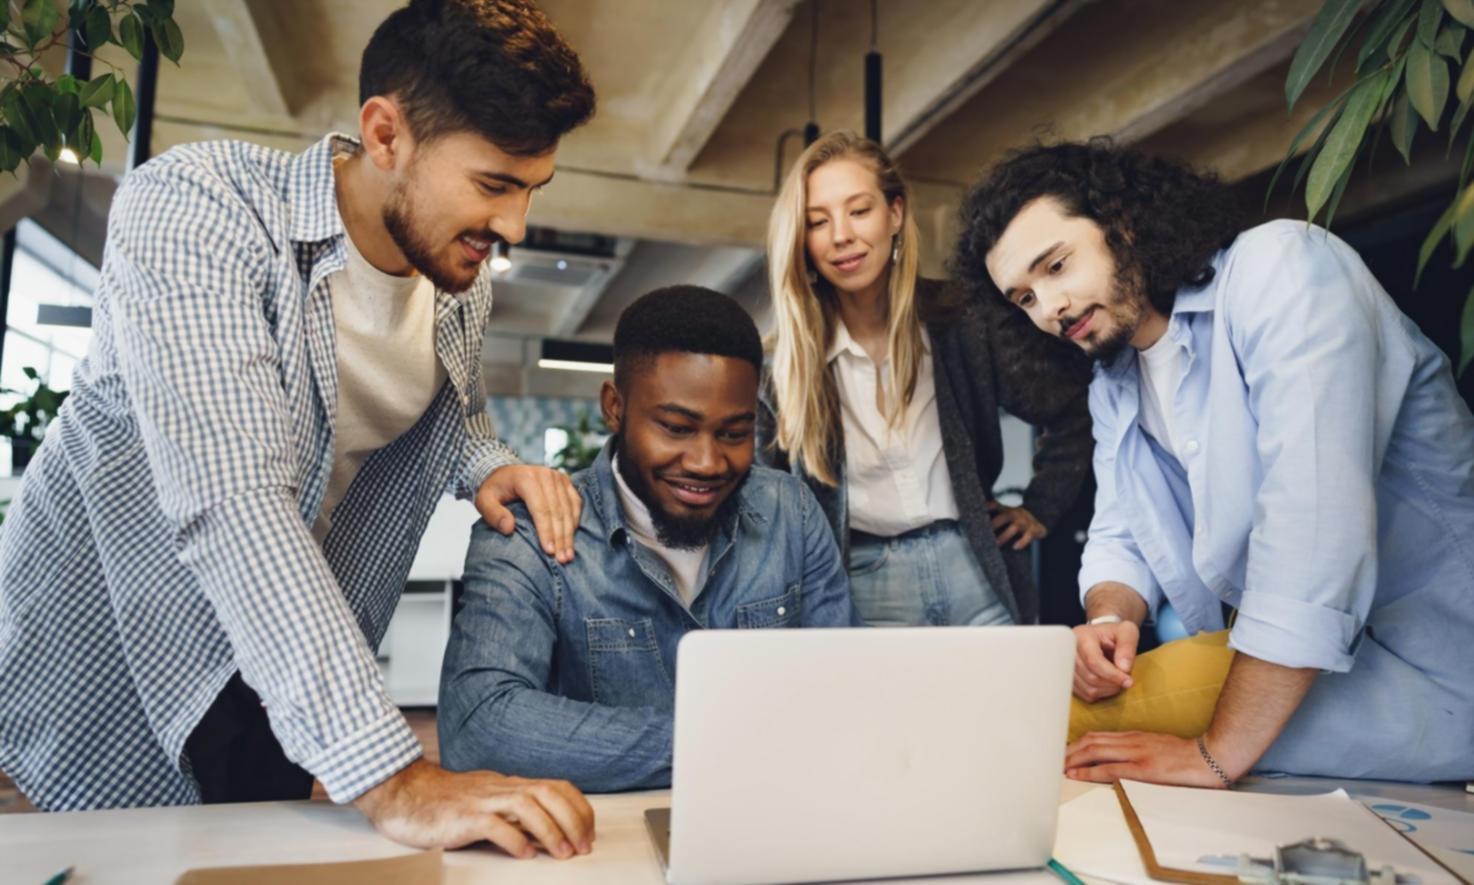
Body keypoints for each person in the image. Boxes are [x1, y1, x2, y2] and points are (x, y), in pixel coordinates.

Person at [0, 0, 600, 858]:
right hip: (131, 633)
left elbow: (448, 412)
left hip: (294, 636)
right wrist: (395, 778)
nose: (514, 227)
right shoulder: (200, 208)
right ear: (385, 135)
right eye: (494, 185)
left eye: (532, 190)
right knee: (120, 857)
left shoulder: (457, 285)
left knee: (249, 860)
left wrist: (488, 465)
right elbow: (232, 497)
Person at [955, 139, 1474, 785]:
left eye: (1057, 265)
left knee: (1026, 723)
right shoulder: (1114, 382)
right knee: (1031, 710)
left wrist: (1215, 753)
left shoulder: (1281, 267)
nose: (1050, 308)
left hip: (1436, 667)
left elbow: (1313, 529)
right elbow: (1121, 533)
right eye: (1025, 299)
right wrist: (1109, 620)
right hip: (1303, 669)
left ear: (1122, 223)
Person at [439, 286, 858, 791]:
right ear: (614, 407)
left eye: (733, 434)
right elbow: (478, 727)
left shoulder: (791, 513)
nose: (707, 463)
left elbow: (845, 688)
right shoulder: (527, 535)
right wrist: (718, 744)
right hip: (603, 835)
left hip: (772, 811)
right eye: (677, 428)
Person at [759, 130, 1093, 627]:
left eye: (859, 210)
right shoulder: (782, 364)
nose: (841, 235)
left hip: (975, 567)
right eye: (818, 221)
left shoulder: (962, 319)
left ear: (895, 213)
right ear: (802, 240)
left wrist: (1041, 506)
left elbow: (1073, 409)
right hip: (862, 584)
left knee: (1015, 682)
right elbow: (759, 503)